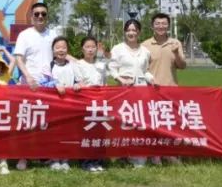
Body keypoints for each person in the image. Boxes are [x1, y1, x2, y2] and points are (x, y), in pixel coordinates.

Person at [109, 19, 157, 168]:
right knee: (124, 123)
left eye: (134, 30)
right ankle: (124, 155)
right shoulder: (117, 49)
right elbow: (112, 68)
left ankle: (139, 156)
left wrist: (151, 78)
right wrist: (120, 79)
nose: (131, 33)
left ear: (139, 32)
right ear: (125, 32)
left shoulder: (145, 51)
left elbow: (145, 70)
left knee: (139, 123)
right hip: (124, 92)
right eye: (128, 30)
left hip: (141, 92)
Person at [143, 12, 188, 164]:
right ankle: (155, 154)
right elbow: (142, 69)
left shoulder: (175, 43)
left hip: (171, 90)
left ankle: (171, 154)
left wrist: (176, 54)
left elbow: (182, 66)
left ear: (168, 25)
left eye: (164, 24)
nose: (160, 26)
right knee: (154, 123)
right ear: (152, 26)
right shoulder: (145, 45)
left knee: (171, 123)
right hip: (151, 91)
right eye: (157, 24)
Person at [73, 36, 108, 173]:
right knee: (87, 132)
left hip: (100, 103)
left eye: (93, 47)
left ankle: (98, 161)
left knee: (100, 132)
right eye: (87, 47)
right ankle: (86, 162)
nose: (90, 50)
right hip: (86, 103)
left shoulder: (101, 65)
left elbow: (104, 82)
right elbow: (79, 82)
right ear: (82, 49)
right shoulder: (78, 64)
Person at [47, 36, 78, 172]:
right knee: (54, 133)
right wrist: (55, 84)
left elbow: (78, 80)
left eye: (64, 47)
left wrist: (77, 85)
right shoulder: (49, 65)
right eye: (58, 47)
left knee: (67, 133)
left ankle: (65, 159)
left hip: (69, 105)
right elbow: (44, 81)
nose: (61, 50)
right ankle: (54, 159)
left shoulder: (72, 65)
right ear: (53, 50)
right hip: (54, 106)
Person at [13, 2, 57, 90]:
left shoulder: (53, 34)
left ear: (47, 16)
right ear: (32, 17)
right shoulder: (24, 35)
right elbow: (18, 59)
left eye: (43, 14)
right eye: (36, 14)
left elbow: (61, 54)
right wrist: (28, 76)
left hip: (49, 84)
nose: (40, 16)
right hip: (30, 84)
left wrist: (78, 63)